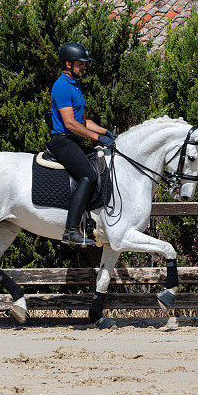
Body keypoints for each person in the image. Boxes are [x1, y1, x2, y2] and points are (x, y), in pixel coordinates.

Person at [49, 42, 117, 245]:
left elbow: (83, 122)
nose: (85, 68)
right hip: (62, 141)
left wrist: (106, 132)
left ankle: (92, 220)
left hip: (75, 139)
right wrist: (97, 138)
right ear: (68, 64)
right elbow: (70, 124)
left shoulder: (75, 86)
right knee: (87, 174)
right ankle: (70, 230)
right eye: (81, 64)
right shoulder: (61, 86)